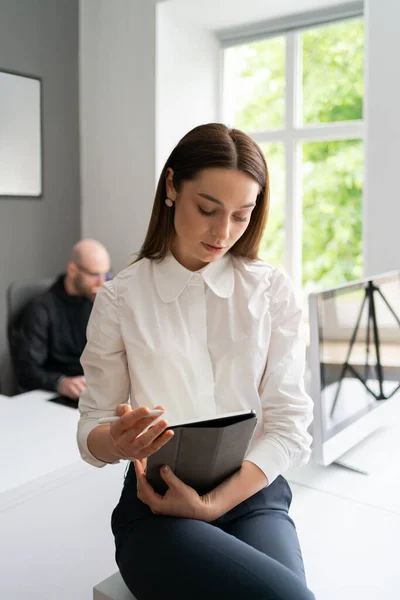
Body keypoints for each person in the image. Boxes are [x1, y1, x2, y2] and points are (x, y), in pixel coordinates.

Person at [77, 123, 315, 600]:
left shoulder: (271, 292)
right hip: (157, 506)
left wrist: (212, 505)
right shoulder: (121, 299)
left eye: (241, 216)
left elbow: (290, 425)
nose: (222, 233)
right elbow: (91, 432)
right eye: (207, 209)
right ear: (171, 187)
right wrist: (117, 442)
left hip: (252, 495)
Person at [14, 239, 111, 400]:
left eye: (106, 274)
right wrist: (60, 383)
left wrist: (105, 309)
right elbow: (27, 371)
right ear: (73, 269)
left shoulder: (96, 302)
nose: (102, 282)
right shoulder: (41, 309)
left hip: (93, 390)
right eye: (95, 274)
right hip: (57, 395)